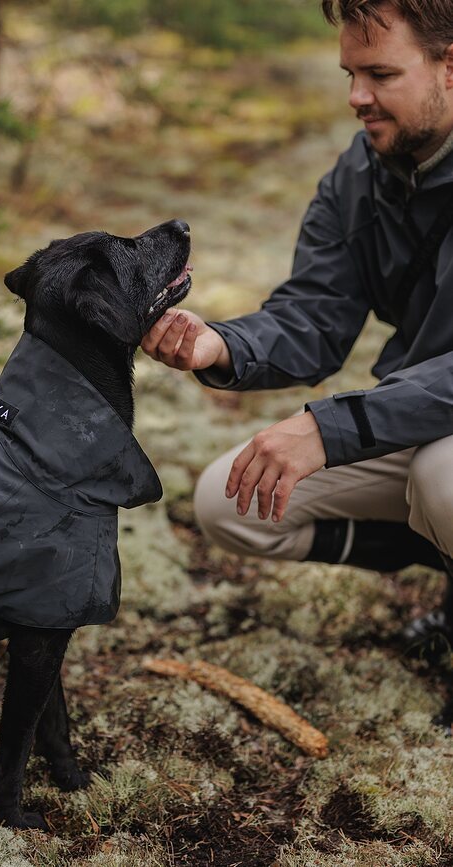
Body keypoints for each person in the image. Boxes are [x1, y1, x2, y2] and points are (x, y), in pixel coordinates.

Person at [141, 0, 453, 649]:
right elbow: (315, 313)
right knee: (228, 502)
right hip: (421, 416)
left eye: (381, 75)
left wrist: (328, 429)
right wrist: (220, 344)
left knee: (441, 481)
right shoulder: (359, 177)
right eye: (350, 75)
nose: (357, 97)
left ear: (449, 67)